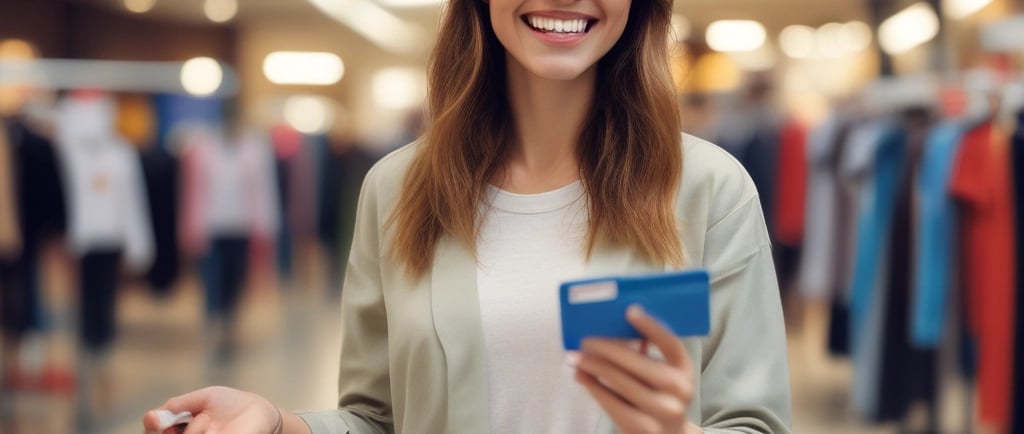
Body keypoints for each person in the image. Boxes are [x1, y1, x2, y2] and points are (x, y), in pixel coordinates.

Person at [143, 0, 792, 433]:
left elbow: (754, 423)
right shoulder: (397, 190)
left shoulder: (707, 189)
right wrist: (281, 424)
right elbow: (378, 419)